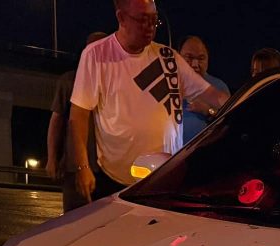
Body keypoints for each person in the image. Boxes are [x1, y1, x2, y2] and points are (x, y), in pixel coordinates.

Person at [69, 0, 229, 204]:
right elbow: (79, 114)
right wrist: (82, 166)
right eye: (143, 20)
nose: (150, 28)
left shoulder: (168, 58)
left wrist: (246, 105)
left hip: (164, 179)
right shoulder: (96, 56)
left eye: (154, 21)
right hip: (116, 180)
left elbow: (212, 95)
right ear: (121, 18)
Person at [46, 31, 107, 213]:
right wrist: (52, 159)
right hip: (75, 167)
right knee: (75, 221)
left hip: (106, 167)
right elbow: (56, 122)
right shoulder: (70, 81)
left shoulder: (115, 80)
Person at [179, 35, 229, 145]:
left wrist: (208, 111)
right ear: (178, 57)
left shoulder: (219, 87)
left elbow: (229, 122)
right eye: (189, 58)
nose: (195, 64)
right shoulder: (169, 84)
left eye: (201, 58)